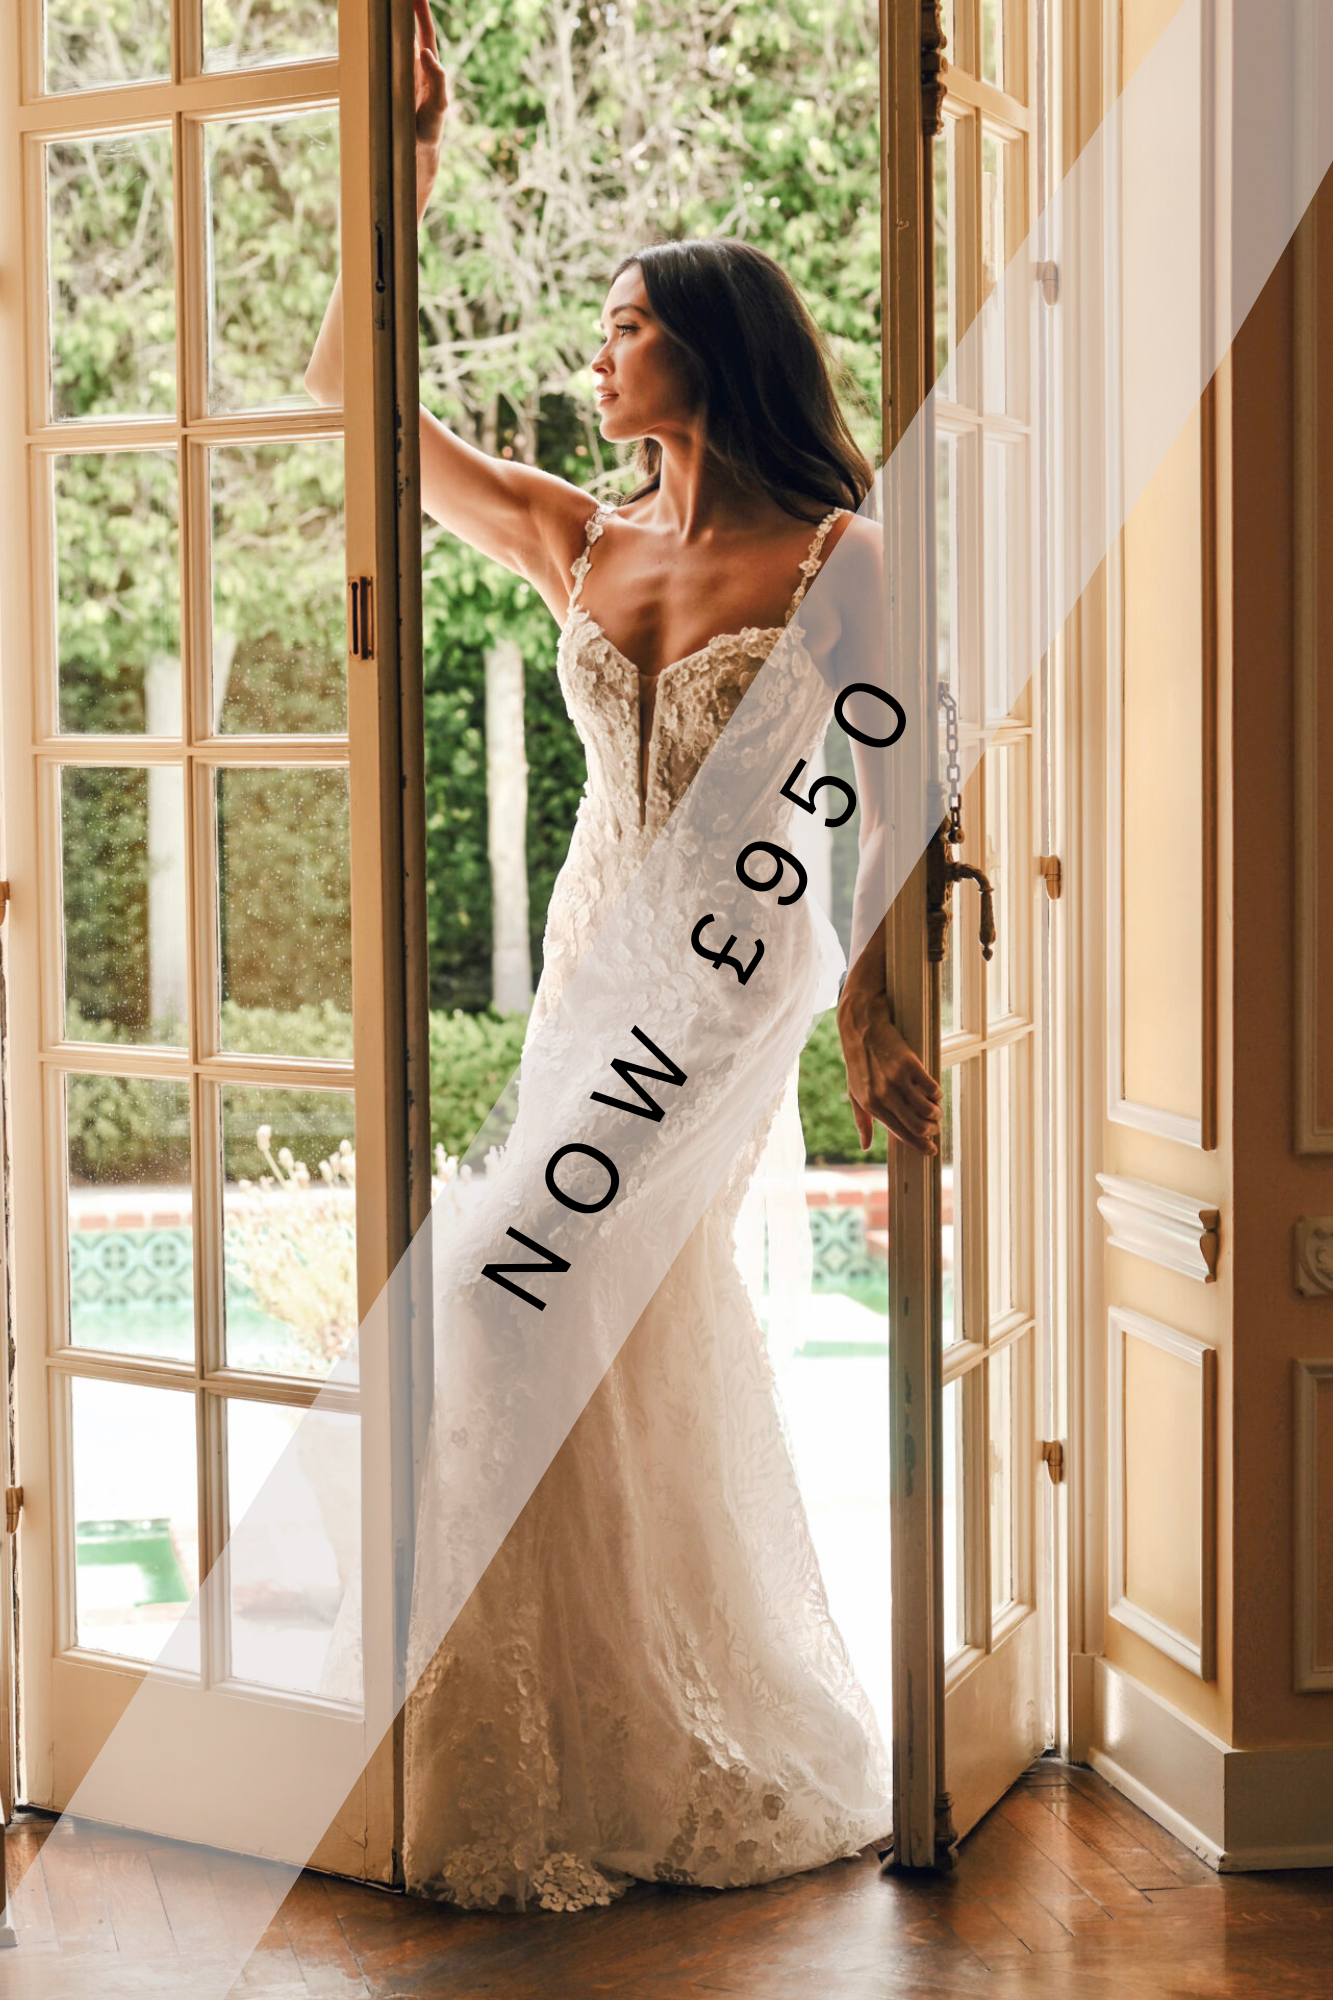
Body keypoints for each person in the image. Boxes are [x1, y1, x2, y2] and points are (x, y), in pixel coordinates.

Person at [306, 0, 943, 1914]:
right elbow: (350, 387)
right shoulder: (578, 542)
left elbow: (907, 801)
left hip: (723, 982)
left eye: (626, 321)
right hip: (597, 951)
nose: (600, 348)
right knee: (607, 1324)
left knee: (512, 1296)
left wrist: (874, 1016)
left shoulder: (841, 560)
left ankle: (581, 1734)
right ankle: (588, 1732)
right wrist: (402, 173)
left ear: (711, 351)